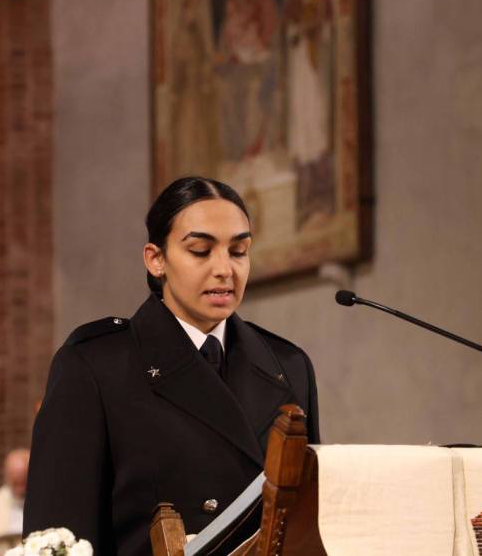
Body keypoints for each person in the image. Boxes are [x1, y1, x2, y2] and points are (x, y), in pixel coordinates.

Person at [24, 177, 320, 554]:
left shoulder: (289, 366)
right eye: (200, 250)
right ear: (156, 259)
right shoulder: (95, 368)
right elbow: (58, 538)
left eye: (239, 250)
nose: (224, 269)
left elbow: (308, 524)